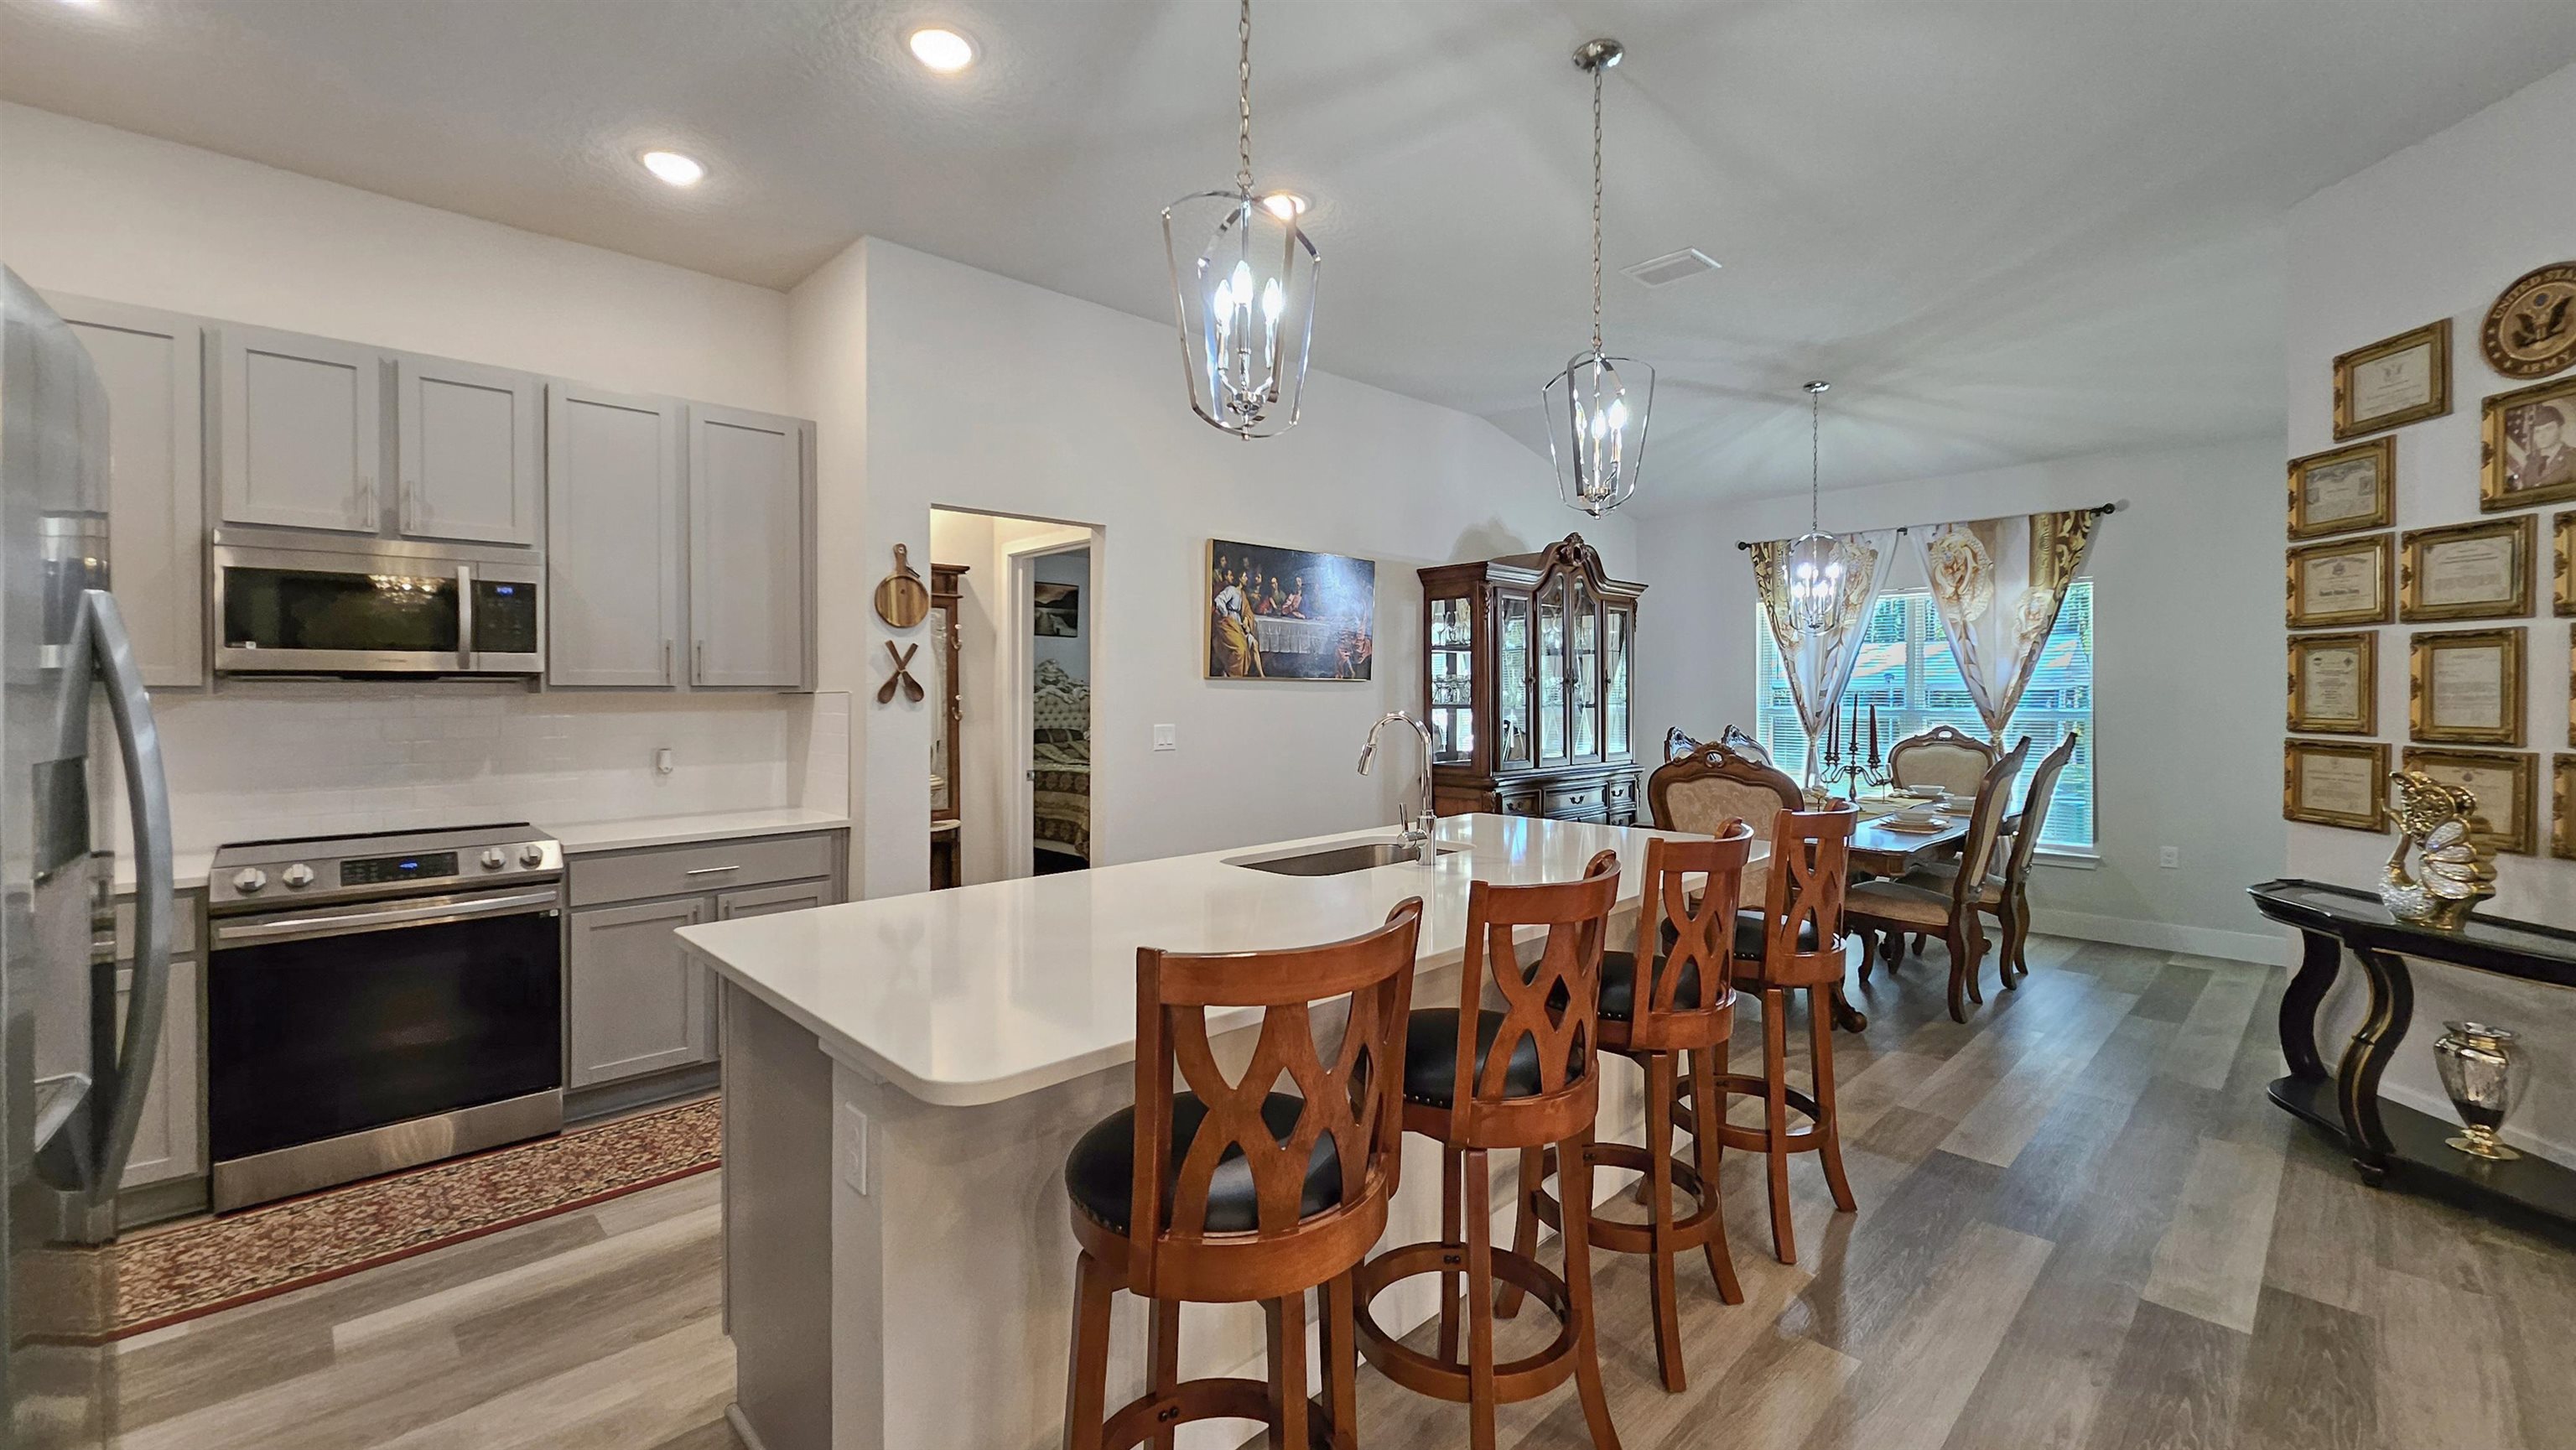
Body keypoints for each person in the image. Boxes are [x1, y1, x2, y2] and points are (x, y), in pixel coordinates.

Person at [1211, 568, 1263, 678]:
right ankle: (1232, 674)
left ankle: (1258, 675)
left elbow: (1247, 611)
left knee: (1251, 645)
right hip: (1229, 624)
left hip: (1239, 625)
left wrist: (1246, 620)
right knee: (1240, 650)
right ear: (1239, 578)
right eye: (1244, 576)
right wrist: (1226, 615)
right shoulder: (1231, 590)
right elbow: (1219, 600)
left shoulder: (1243, 594)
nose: (1247, 579)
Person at [2516, 403, 2575, 491]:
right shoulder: (2531, 463)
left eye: (2548, 429)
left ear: (2560, 430)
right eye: (2538, 431)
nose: (2542, 436)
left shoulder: (2573, 458)